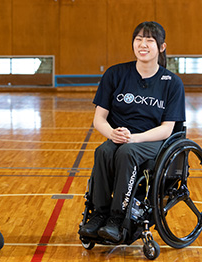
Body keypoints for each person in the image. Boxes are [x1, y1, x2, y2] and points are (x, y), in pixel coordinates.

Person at [78, 21, 186, 243]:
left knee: (128, 153)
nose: (143, 44)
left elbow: (167, 129)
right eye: (138, 39)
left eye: (149, 40)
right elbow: (99, 118)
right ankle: (99, 214)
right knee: (103, 152)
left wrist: (135, 138)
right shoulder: (115, 74)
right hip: (120, 136)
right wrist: (111, 133)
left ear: (161, 47)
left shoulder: (172, 83)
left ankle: (118, 219)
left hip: (153, 140)